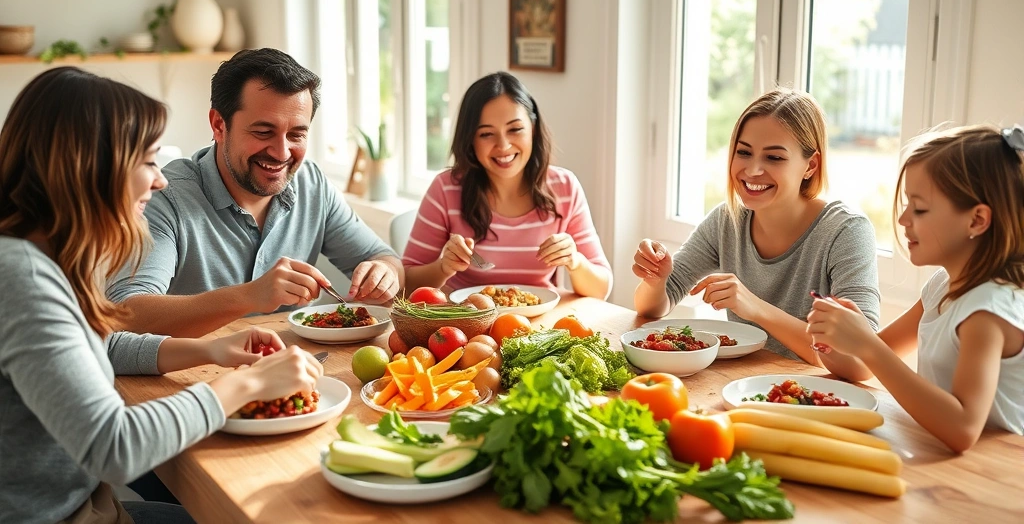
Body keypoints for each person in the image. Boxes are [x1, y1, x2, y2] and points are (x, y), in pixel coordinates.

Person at [0, 67, 323, 523]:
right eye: (148, 161)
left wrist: (209, 350)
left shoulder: (45, 259)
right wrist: (247, 384)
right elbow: (113, 448)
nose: (160, 180)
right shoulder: (22, 277)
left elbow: (89, 350)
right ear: (91, 166)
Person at [107, 48, 403, 338]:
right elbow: (127, 311)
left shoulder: (312, 183)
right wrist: (249, 296)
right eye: (263, 132)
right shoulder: (166, 196)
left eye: (296, 134)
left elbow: (386, 259)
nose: (281, 152)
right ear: (219, 125)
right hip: (197, 377)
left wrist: (383, 273)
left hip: (296, 372)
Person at [808, 125, 1024, 450]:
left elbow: (963, 428)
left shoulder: (987, 311)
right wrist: (835, 341)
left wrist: (867, 344)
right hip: (942, 460)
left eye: (920, 208)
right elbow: (865, 364)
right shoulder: (942, 285)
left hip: (994, 477)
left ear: (977, 220)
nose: (904, 219)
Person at [632, 88, 881, 363]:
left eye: (774, 157)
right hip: (742, 385)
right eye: (744, 152)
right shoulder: (727, 220)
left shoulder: (846, 231)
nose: (752, 171)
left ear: (810, 165)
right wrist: (655, 279)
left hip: (813, 395)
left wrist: (756, 308)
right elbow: (653, 307)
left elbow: (863, 354)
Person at [402, 72, 612, 299]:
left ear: (532, 128)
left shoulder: (565, 188)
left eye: (515, 129)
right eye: (486, 134)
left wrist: (575, 261)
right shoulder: (446, 189)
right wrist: (443, 267)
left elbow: (601, 289)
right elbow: (406, 283)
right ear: (470, 140)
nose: (503, 146)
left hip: (542, 326)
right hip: (469, 325)